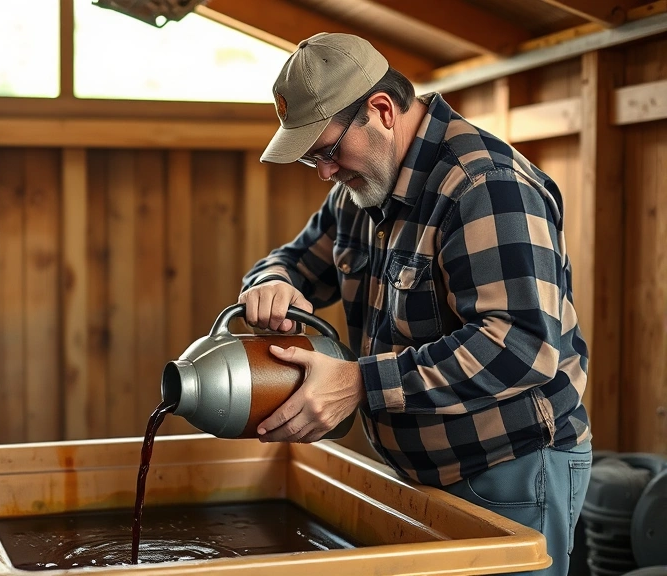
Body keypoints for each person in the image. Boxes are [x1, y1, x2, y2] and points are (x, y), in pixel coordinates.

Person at [238, 33, 592, 576]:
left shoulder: (484, 185)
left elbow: (521, 346)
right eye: (312, 160)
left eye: (328, 152)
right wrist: (271, 282)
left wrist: (358, 382)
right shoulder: (361, 190)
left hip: (509, 470)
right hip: (421, 470)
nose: (326, 174)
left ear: (381, 110)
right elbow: (294, 259)